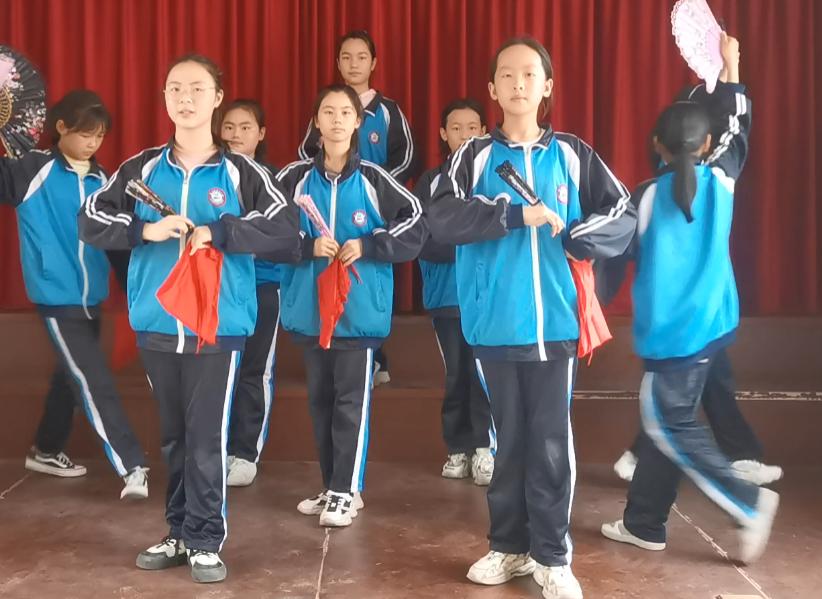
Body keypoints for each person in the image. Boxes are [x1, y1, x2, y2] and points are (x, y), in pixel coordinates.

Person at [428, 38, 637, 599]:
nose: (518, 83)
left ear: (547, 87)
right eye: (506, 75)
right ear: (492, 89)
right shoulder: (472, 157)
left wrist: (582, 236)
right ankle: (508, 547)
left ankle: (551, 555)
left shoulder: (572, 153)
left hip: (557, 325)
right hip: (493, 323)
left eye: (529, 74)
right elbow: (441, 217)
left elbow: (622, 213)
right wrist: (516, 214)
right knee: (507, 442)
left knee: (548, 441)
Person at [78, 55, 299, 584]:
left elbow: (285, 226)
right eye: (175, 88)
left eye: (197, 88)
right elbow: (90, 217)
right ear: (164, 98)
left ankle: (204, 539)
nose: (185, 97)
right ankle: (177, 532)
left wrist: (220, 232)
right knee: (174, 436)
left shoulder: (243, 172)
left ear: (217, 98)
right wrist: (144, 231)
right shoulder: (141, 169)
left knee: (206, 437)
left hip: (216, 326)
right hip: (157, 321)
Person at [599, 33, 780, 564]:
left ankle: (748, 503)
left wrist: (591, 297)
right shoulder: (722, 179)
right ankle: (644, 522)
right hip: (713, 325)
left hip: (674, 336)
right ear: (705, 146)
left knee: (667, 422)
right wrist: (732, 67)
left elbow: (610, 253)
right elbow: (738, 126)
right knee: (663, 422)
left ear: (656, 144)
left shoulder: (644, 198)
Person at [0, 89, 149, 496]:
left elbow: (119, 245)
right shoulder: (31, 170)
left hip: (92, 298)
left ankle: (47, 449)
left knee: (69, 377)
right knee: (93, 380)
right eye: (85, 133)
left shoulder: (105, 182)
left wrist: (135, 294)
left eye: (99, 136)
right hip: (57, 297)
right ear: (61, 127)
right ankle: (132, 465)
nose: (92, 143)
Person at [269, 84, 426, 528]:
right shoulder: (293, 179)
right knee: (320, 403)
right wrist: (305, 246)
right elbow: (265, 229)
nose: (337, 120)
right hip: (309, 309)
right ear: (315, 122)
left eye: (345, 112)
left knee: (350, 403)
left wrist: (370, 244)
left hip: (358, 311)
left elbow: (416, 224)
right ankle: (332, 485)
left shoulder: (376, 179)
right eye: (328, 112)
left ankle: (346, 490)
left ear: (358, 122)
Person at [299, 30, 419, 386]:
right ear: (338, 63)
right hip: (326, 212)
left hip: (371, 213)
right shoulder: (327, 106)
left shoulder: (387, 110)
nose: (354, 64)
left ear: (373, 63)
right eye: (347, 57)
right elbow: (306, 153)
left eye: (361, 57)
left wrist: (375, 188)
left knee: (370, 285)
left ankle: (376, 356)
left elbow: (407, 157)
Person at [415, 98, 493, 485]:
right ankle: (458, 448)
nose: (464, 135)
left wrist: (459, 238)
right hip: (447, 296)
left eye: (472, 128)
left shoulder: (494, 173)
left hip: (489, 295)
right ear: (443, 134)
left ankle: (484, 448)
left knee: (484, 372)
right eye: (456, 128)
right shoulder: (430, 182)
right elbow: (423, 239)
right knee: (457, 372)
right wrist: (470, 241)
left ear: (484, 132)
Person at [218, 98, 281, 487]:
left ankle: (244, 453)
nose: (236, 134)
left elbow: (282, 233)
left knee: (254, 370)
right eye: (229, 127)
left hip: (262, 283)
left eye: (245, 127)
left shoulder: (274, 179)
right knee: (216, 371)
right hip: (218, 285)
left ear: (261, 133)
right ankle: (214, 448)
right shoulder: (209, 174)